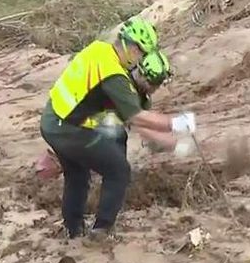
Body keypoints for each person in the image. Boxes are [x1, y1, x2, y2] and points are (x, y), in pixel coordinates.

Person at [39, 16, 197, 239]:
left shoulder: (100, 50)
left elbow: (135, 122)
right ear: (132, 47)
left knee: (79, 173)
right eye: (141, 53)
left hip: (54, 118)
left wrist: (173, 144)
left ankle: (73, 230)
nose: (140, 58)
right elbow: (138, 117)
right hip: (67, 127)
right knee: (118, 171)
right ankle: (101, 230)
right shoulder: (115, 75)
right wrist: (178, 124)